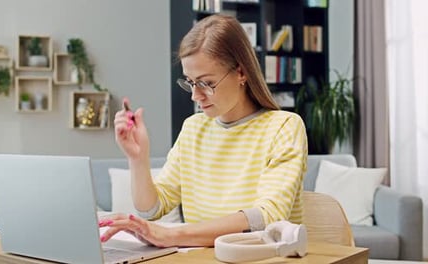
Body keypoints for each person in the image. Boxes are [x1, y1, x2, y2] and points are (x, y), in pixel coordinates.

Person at [99, 14, 308, 248]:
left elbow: (267, 216)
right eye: (190, 82)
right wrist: (137, 158)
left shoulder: (284, 126)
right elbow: (152, 209)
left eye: (206, 83)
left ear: (241, 72)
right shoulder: (193, 128)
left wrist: (171, 236)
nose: (195, 95)